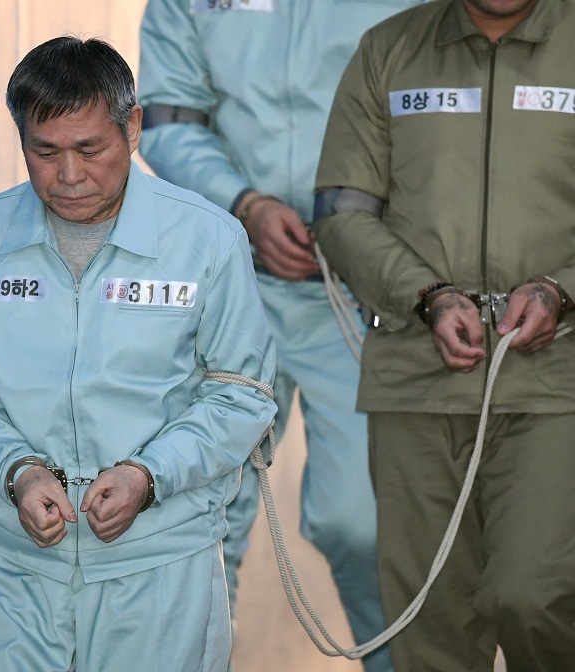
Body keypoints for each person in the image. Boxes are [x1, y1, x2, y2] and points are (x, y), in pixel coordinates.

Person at [0, 36, 277, 672]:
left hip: (159, 568)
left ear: (132, 128)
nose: (70, 175)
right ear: (22, 141)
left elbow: (241, 391)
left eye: (91, 149)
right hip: (21, 570)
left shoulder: (205, 240)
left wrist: (149, 475)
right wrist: (17, 470)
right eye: (45, 153)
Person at [137, 2, 422, 670]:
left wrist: (365, 227)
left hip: (361, 294)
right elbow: (167, 116)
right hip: (228, 287)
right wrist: (246, 205)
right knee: (200, 526)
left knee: (366, 525)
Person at [313, 0, 575, 669]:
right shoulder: (387, 49)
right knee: (429, 631)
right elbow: (342, 211)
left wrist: (560, 289)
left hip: (556, 386)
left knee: (534, 594)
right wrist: (426, 296)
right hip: (416, 381)